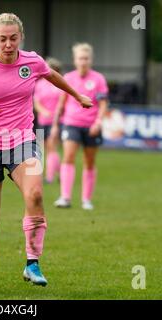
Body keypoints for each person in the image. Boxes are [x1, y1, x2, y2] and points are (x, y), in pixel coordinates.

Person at [0, 13, 92, 289]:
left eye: (13, 38)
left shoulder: (32, 61)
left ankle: (32, 263)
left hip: (22, 142)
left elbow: (52, 75)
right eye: (3, 39)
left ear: (21, 38)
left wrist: (77, 96)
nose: (8, 44)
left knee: (36, 193)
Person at [51, 43, 109, 211]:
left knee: (89, 161)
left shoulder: (98, 79)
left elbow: (103, 104)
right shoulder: (68, 78)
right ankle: (65, 197)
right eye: (80, 58)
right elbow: (61, 104)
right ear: (74, 60)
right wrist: (55, 125)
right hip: (71, 123)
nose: (83, 61)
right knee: (68, 156)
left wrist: (98, 122)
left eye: (86, 58)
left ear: (91, 60)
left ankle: (86, 199)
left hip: (92, 126)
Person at [33, 57, 63, 184]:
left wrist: (55, 114)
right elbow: (36, 102)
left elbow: (63, 102)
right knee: (46, 149)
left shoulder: (60, 84)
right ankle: (62, 171)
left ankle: (49, 177)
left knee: (52, 147)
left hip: (56, 121)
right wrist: (43, 111)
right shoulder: (40, 84)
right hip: (42, 120)